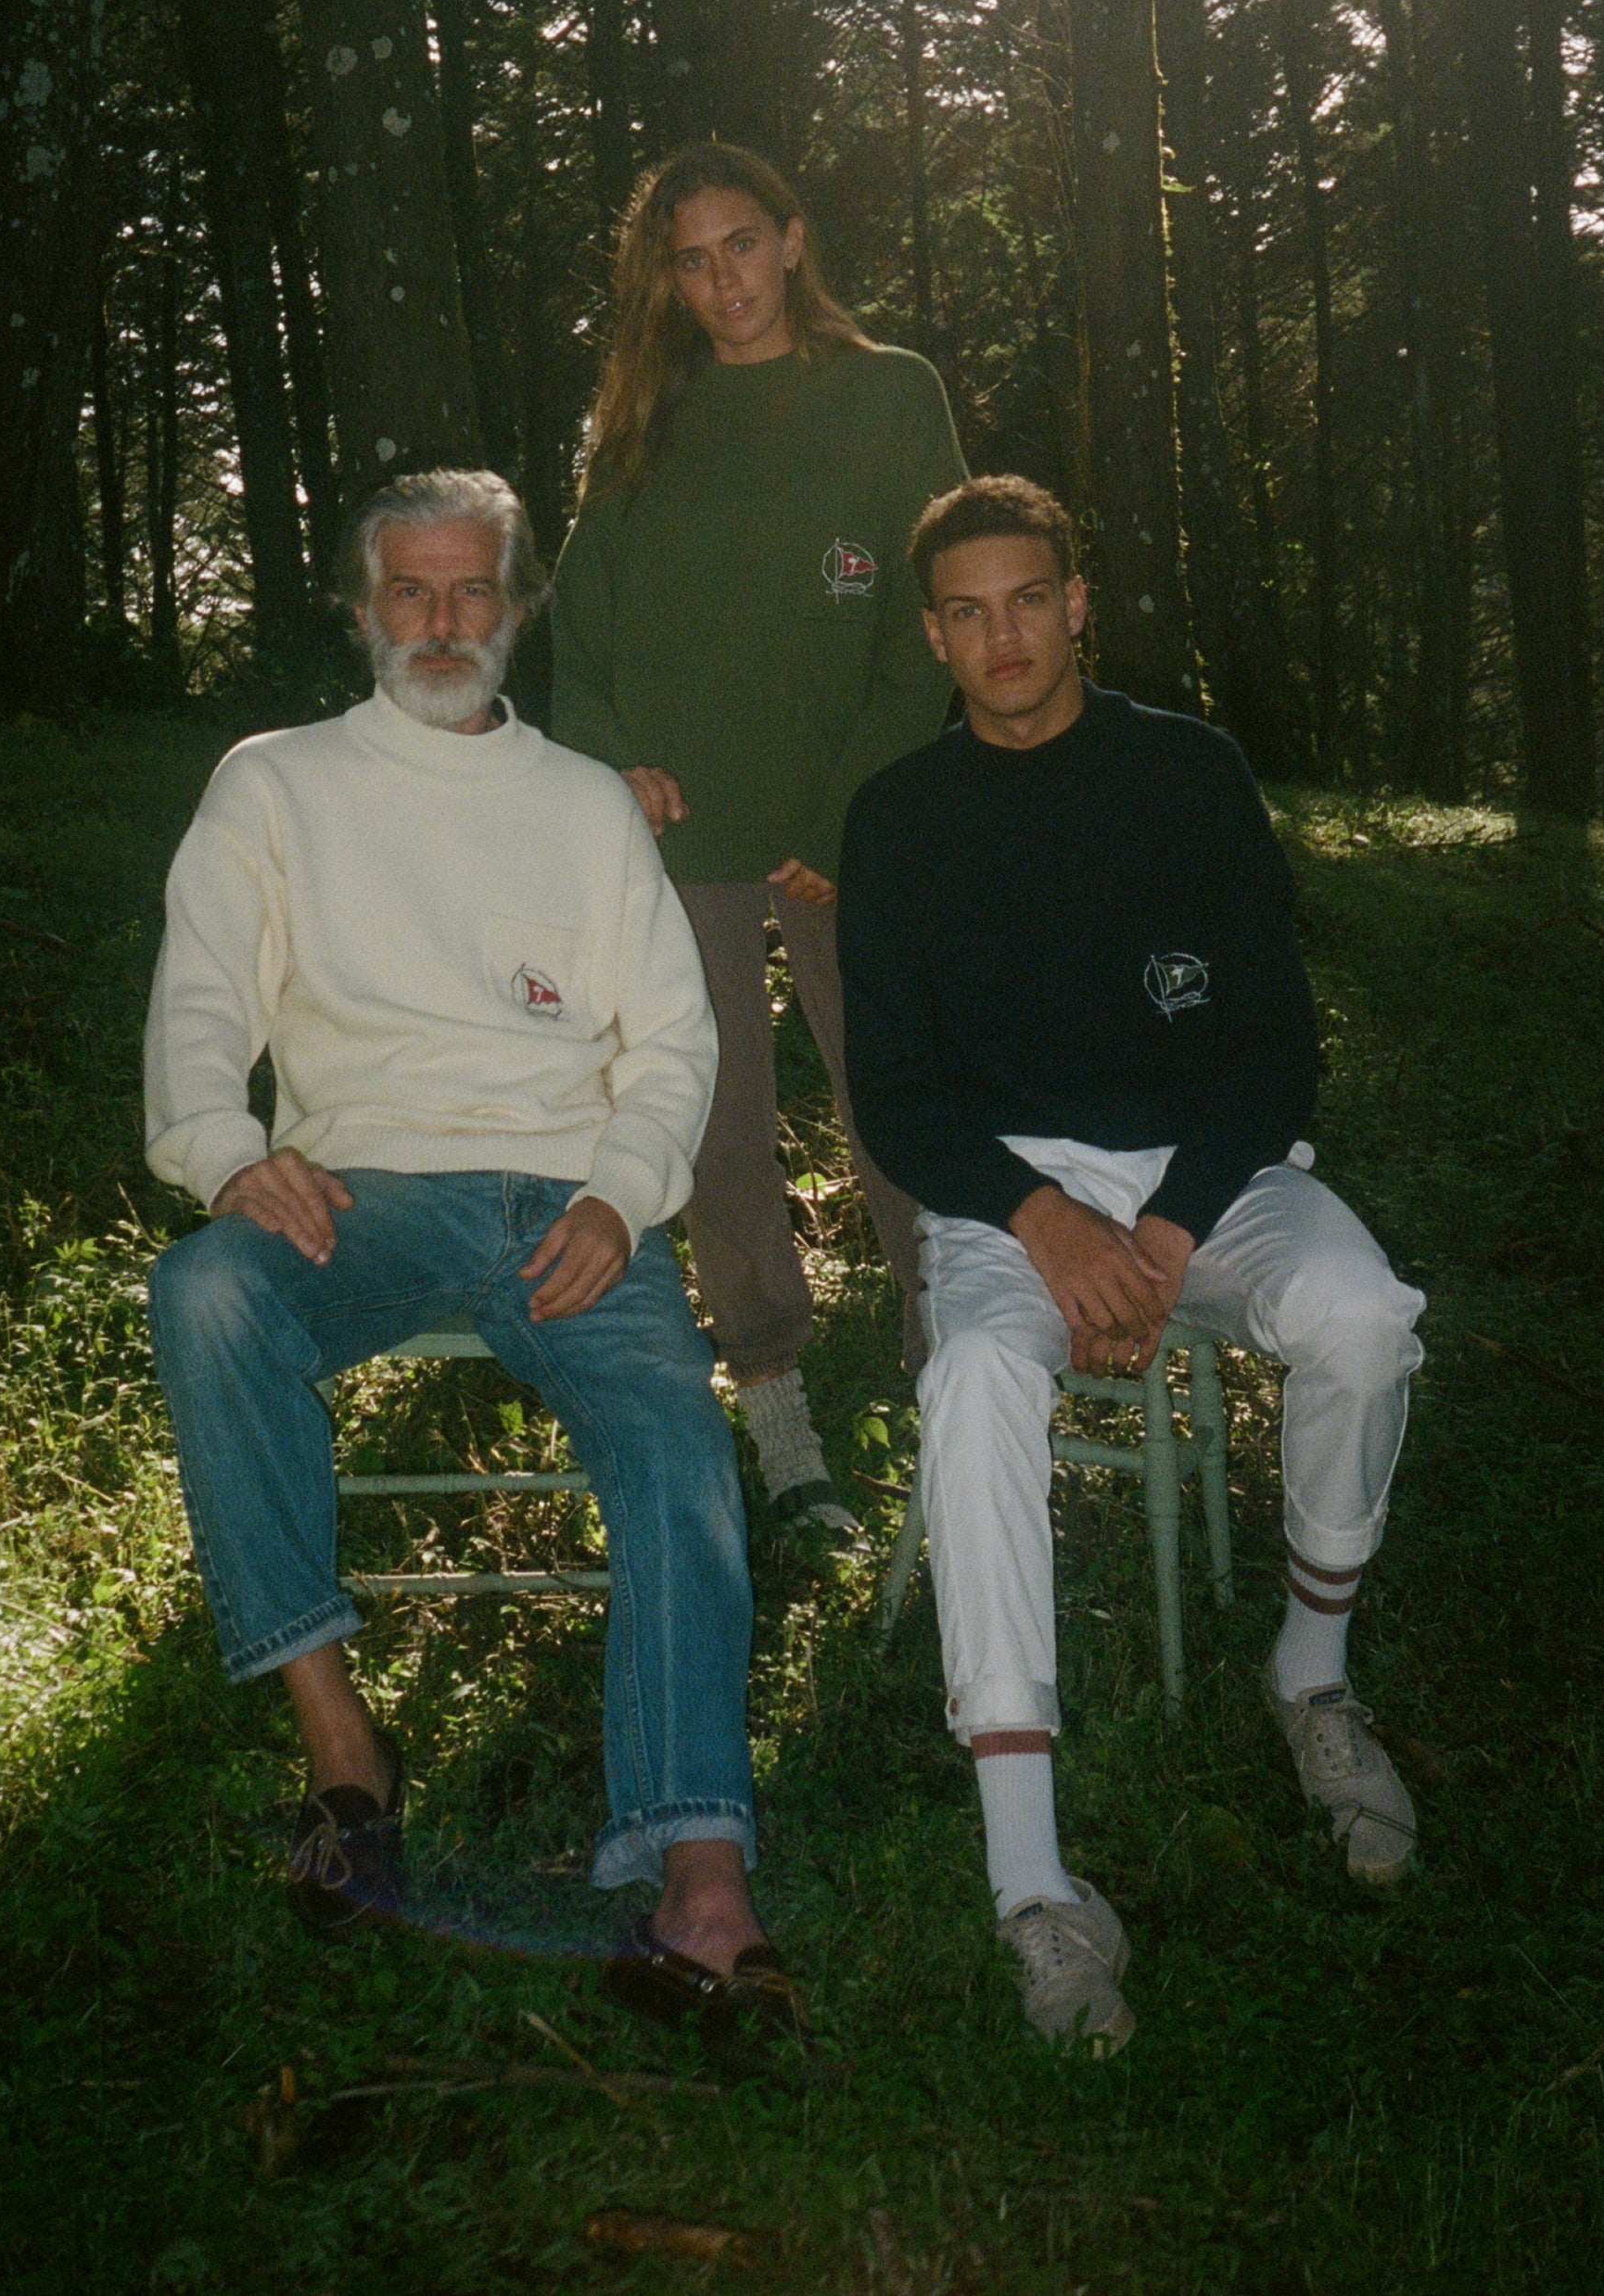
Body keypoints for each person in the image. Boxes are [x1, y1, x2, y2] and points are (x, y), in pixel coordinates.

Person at [143, 468, 812, 2056]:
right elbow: (195, 1011)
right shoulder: (274, 782)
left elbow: (673, 1038)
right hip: (352, 1198)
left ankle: (698, 1875)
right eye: (409, 594)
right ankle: (346, 1763)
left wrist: (621, 1194)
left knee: (668, 1435)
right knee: (204, 1290)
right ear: (364, 610)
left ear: (514, 613)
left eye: (472, 595)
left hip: (561, 1205)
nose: (440, 625)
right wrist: (233, 1157)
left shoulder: (582, 802)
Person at [837, 476, 1426, 2056]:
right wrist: (1046, 1223)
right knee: (967, 1380)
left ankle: (1311, 1678)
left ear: (1079, 603)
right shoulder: (897, 818)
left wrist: (1164, 1231)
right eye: (965, 611)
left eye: (1027, 599)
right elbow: (898, 1100)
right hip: (1010, 1200)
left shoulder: (1188, 774)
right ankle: (1033, 1879)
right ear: (932, 636)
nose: (1000, 635)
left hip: (1206, 1182)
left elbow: (1276, 1049)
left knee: (1364, 1316)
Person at [549, 141, 964, 1535]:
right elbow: (581, 645)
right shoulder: (643, 423)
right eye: (691, 256)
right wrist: (619, 761)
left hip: (862, 818)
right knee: (717, 1119)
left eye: (742, 243)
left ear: (792, 240)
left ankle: (951, 1371)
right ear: (665, 278)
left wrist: (850, 806)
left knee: (897, 1100)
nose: (722, 277)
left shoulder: (890, 395)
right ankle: (780, 1413)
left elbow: (936, 612)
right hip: (691, 839)